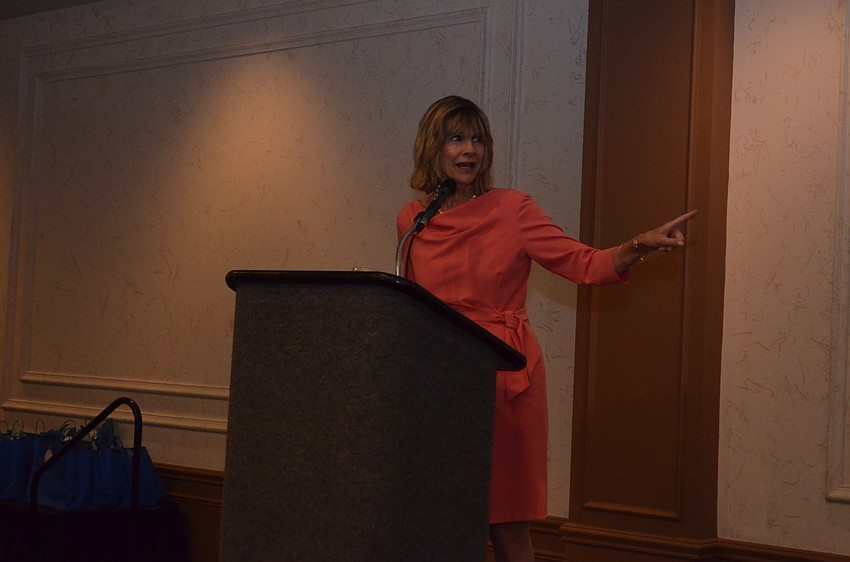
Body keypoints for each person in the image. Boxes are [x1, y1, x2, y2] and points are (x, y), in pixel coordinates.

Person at [395, 95, 697, 562]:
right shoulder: (412, 221)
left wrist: (639, 244)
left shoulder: (513, 208)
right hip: (440, 380)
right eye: (456, 138)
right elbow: (409, 305)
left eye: (477, 139)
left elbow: (584, 263)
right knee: (443, 518)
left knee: (507, 522)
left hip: (503, 375)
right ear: (432, 147)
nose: (469, 149)